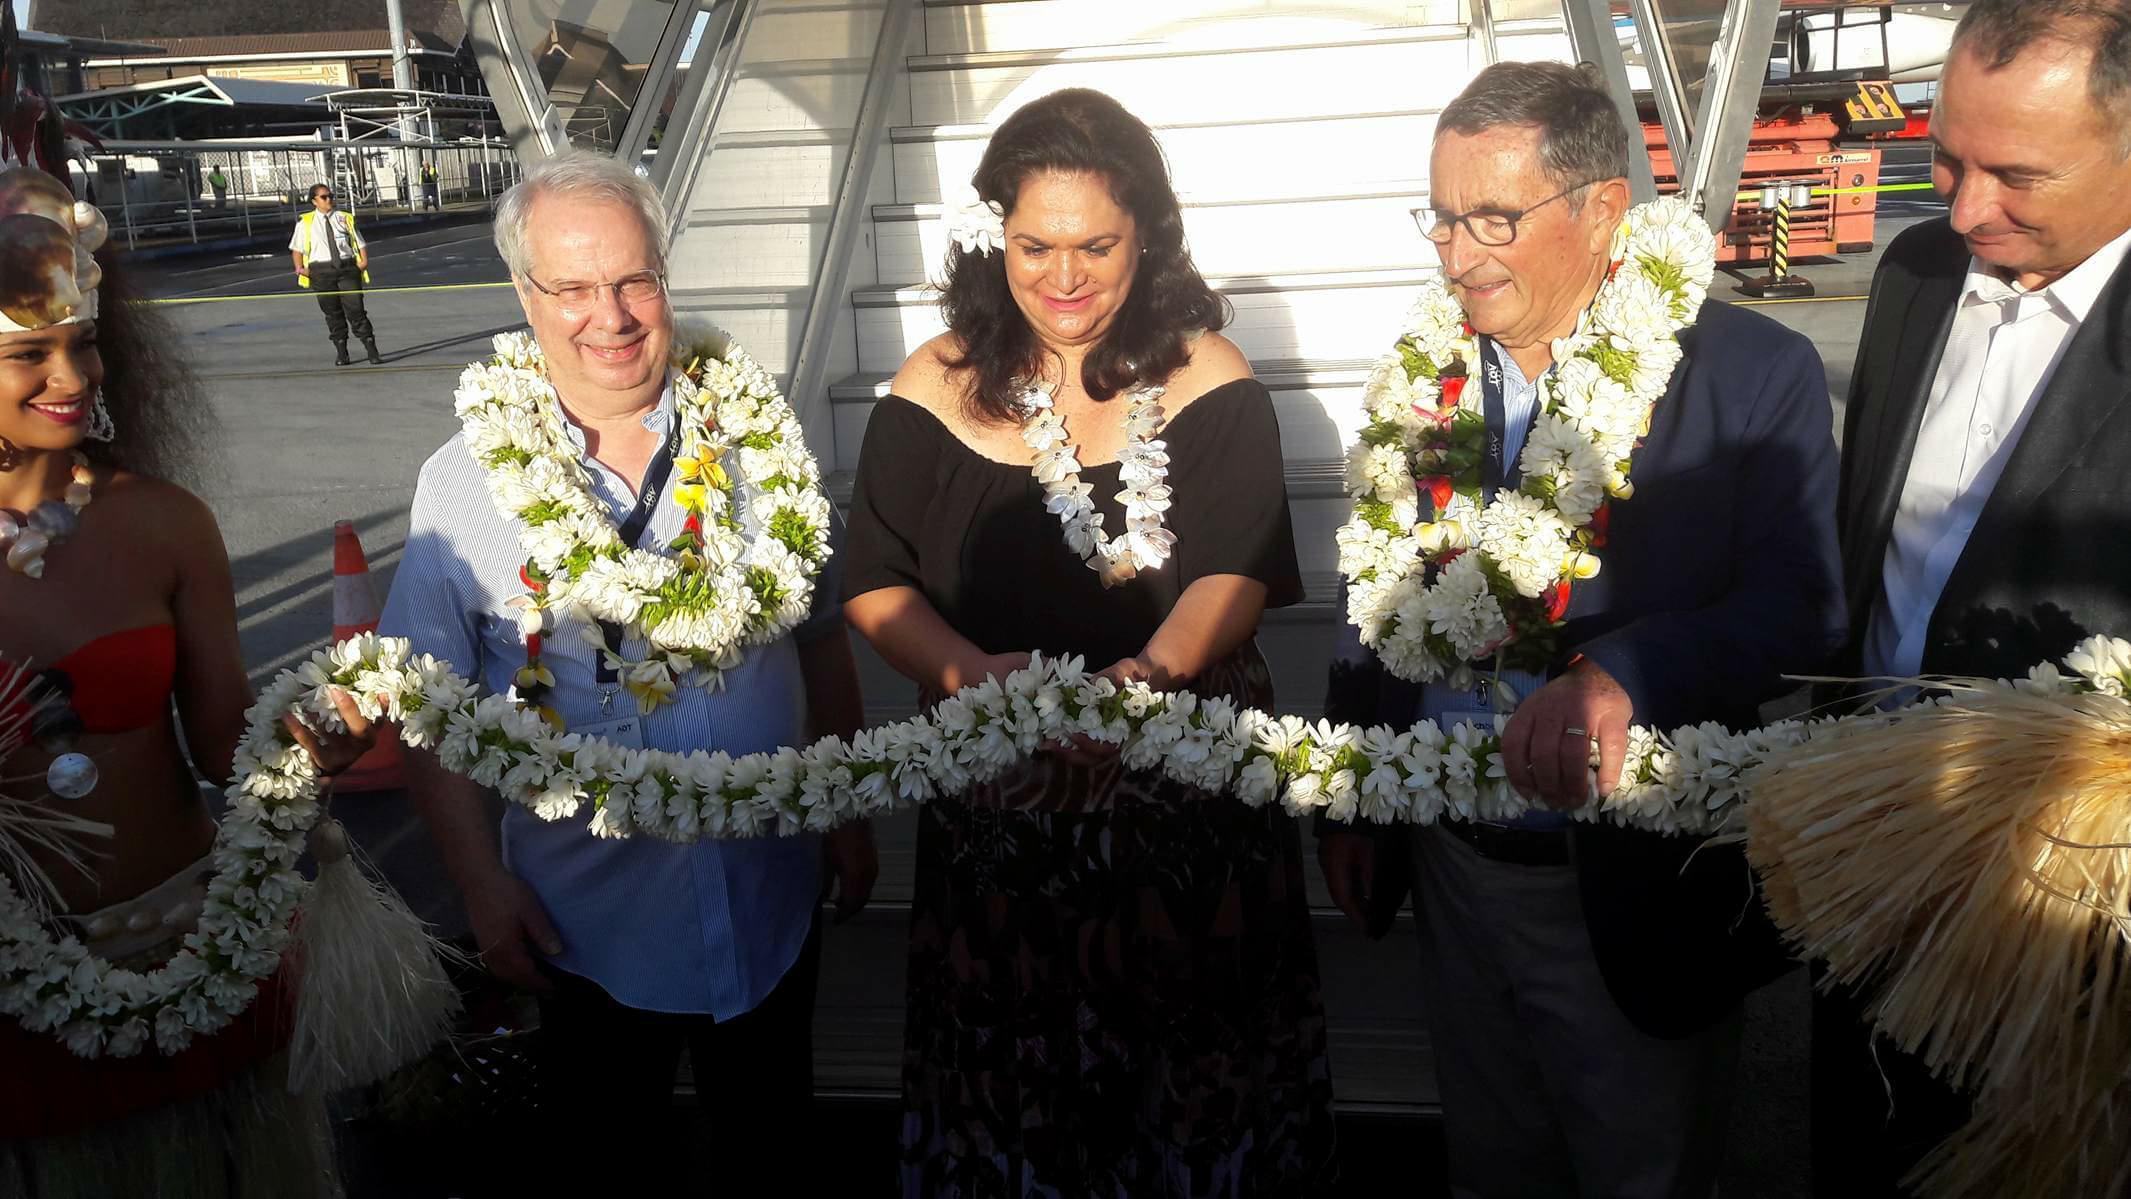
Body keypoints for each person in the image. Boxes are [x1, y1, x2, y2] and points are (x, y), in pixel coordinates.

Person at [1315, 61, 1846, 1197]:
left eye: (1492, 217)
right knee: (1493, 1162)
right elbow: (1381, 600)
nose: (1458, 254)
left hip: (1622, 869)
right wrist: (1359, 796)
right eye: (1442, 218)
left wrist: (1623, 669)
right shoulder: (1423, 373)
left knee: (1640, 1169)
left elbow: (1801, 606)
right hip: (1455, 858)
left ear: (1605, 210)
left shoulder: (1752, 373)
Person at [844, 87, 1338, 1196]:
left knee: (1188, 1094)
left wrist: (1144, 681)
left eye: (1096, 246)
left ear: (1147, 235)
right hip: (1000, 825)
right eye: (1035, 246)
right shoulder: (937, 380)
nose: (1064, 279)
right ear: (995, 237)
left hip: (1181, 820)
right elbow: (873, 584)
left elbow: (1233, 572)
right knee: (1014, 1109)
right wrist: (970, 674)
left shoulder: (1209, 376)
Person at [378, 151, 877, 1191]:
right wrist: (480, 884)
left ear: (664, 276)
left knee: (774, 1151)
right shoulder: (465, 481)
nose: (610, 314)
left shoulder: (757, 438)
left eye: (633, 279)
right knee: (607, 1165)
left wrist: (847, 808)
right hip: (586, 921)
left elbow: (820, 635)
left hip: (769, 887)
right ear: (526, 296)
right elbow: (427, 699)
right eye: (571, 286)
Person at [0, 158, 374, 1192]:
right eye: (30, 352)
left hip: (190, 942)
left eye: (83, 344)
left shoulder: (162, 521)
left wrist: (314, 737)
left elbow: (225, 745)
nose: (71, 377)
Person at [1821, 2, 2131, 1191]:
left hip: (2061, 939)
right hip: (1861, 879)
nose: (1960, 209)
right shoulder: (1910, 272)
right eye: (1946, 156)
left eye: (2015, 174)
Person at [288, 183, 380, 366]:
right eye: (324, 197)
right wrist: (300, 269)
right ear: (314, 201)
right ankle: (342, 352)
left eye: (330, 196)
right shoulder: (305, 223)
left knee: (356, 310)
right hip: (321, 271)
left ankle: (371, 349)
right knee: (332, 312)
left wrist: (363, 262)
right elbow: (296, 249)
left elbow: (359, 242)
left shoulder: (344, 218)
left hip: (346, 269)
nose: (329, 199)